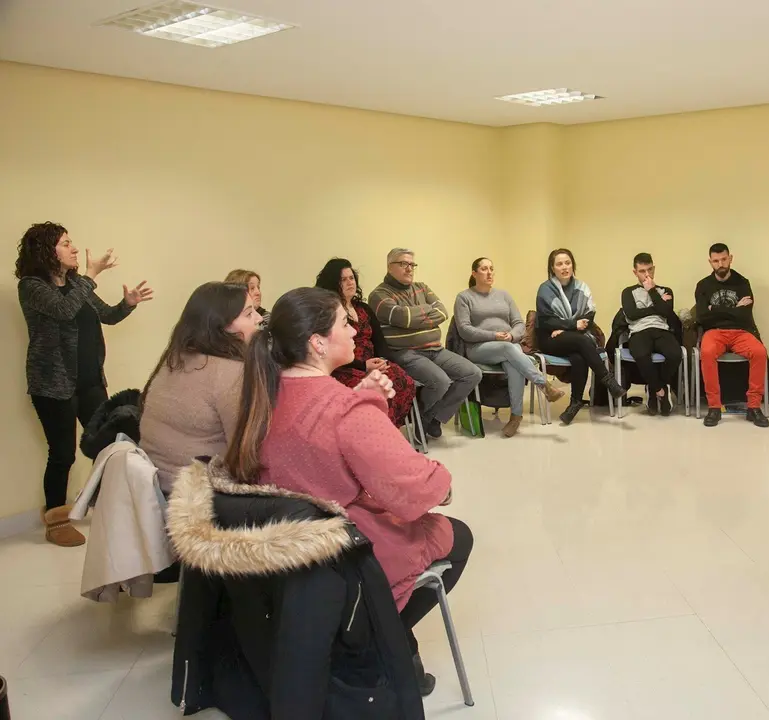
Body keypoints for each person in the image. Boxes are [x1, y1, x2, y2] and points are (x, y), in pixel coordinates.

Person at [223, 287, 472, 695]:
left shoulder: (261, 395)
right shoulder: (345, 411)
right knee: (457, 535)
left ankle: (383, 644)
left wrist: (366, 402)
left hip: (286, 551)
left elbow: (315, 434)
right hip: (345, 555)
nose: (355, 329)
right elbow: (415, 488)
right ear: (318, 342)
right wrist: (442, 483)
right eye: (344, 322)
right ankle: (377, 638)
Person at [15, 222, 153, 547]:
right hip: (53, 385)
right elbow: (63, 311)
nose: (74, 248)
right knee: (63, 454)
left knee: (108, 447)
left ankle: (111, 508)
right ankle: (56, 519)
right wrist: (91, 275)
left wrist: (128, 304)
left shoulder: (77, 284)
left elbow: (106, 315)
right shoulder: (31, 287)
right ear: (47, 251)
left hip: (90, 381)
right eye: (66, 243)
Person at [139, 282, 260, 494]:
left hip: (153, 488)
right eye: (249, 314)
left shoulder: (175, 358)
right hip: (196, 502)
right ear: (222, 326)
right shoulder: (232, 372)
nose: (259, 319)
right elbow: (245, 458)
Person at [369, 249, 482, 440]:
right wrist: (426, 312)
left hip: (435, 349)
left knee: (472, 373)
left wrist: (412, 315)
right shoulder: (378, 295)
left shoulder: (422, 287)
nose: (409, 269)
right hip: (405, 352)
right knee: (440, 381)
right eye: (403, 264)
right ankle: (423, 420)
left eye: (412, 264)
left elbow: (442, 312)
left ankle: (429, 418)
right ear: (390, 267)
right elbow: (401, 317)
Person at [454, 257, 564, 437]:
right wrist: (494, 336)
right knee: (510, 349)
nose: (489, 272)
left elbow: (519, 323)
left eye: (491, 268)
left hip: (508, 346)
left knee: (513, 360)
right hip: (479, 349)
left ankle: (515, 417)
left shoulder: (504, 296)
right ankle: (543, 384)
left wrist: (512, 335)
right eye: (484, 269)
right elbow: (465, 330)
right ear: (474, 273)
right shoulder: (464, 297)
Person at [315, 258, 417, 427]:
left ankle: (388, 430)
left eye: (351, 278)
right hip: (346, 367)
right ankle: (374, 433)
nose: (350, 282)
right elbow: (331, 349)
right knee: (374, 391)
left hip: (373, 363)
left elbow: (379, 341)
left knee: (403, 381)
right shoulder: (328, 312)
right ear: (332, 283)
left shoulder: (363, 308)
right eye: (343, 279)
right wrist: (364, 366)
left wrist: (384, 361)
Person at [535, 248, 626, 425]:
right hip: (550, 339)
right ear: (552, 268)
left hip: (573, 337)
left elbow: (589, 316)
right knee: (582, 342)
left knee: (579, 356)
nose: (564, 267)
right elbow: (546, 321)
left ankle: (575, 403)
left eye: (567, 263)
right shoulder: (545, 289)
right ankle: (608, 381)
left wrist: (566, 328)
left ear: (572, 265)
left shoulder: (582, 288)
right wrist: (570, 325)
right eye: (559, 264)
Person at [694, 243, 769, 428]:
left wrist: (716, 309)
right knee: (707, 352)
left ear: (730, 258)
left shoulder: (742, 282)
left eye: (723, 259)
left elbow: (745, 314)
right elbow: (703, 316)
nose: (720, 264)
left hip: (741, 331)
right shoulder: (703, 285)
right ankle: (714, 407)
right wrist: (734, 308)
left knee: (760, 352)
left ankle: (753, 407)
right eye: (716, 260)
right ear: (710, 262)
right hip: (714, 332)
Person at [620, 252, 683, 416]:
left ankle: (655, 389)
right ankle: (660, 391)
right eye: (642, 271)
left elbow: (667, 313)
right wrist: (658, 306)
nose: (647, 274)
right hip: (639, 331)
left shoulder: (665, 290)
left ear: (654, 269)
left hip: (661, 330)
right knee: (641, 354)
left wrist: (653, 291)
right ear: (635, 272)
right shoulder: (628, 292)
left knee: (675, 353)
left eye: (649, 270)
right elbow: (631, 314)